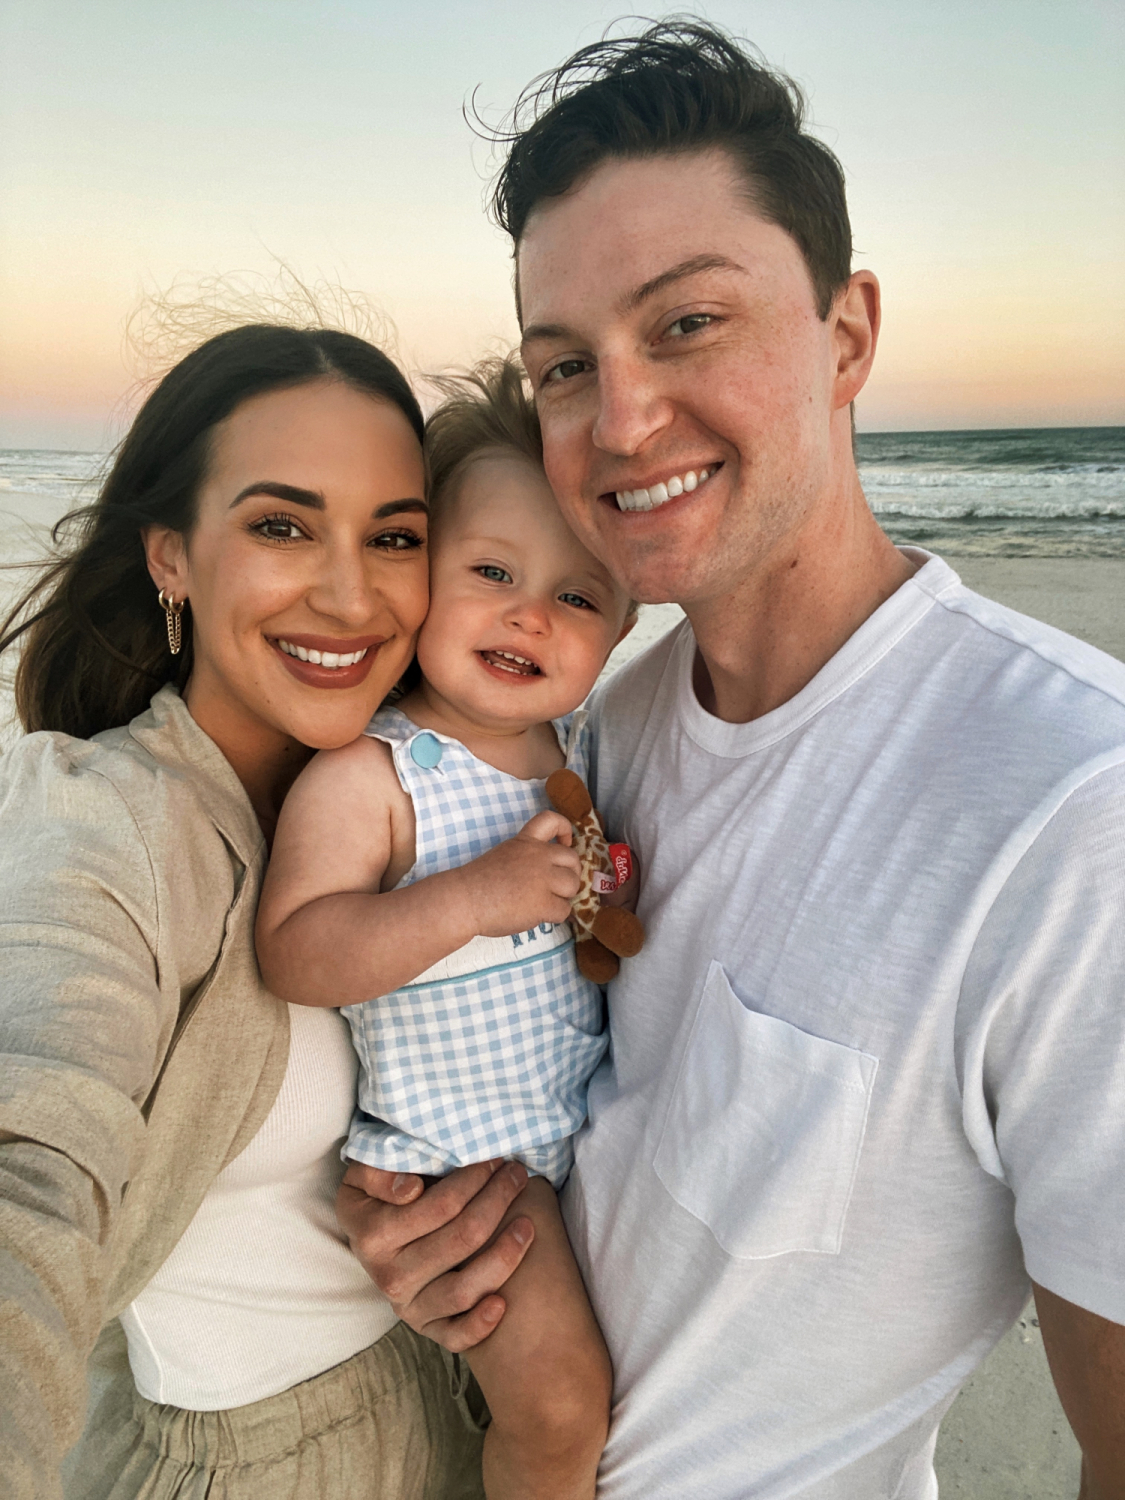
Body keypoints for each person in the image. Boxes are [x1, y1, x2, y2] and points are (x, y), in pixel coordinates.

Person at [335, 22, 1125, 1500]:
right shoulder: (600, 735)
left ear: (846, 335)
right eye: (565, 364)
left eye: (687, 323)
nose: (621, 421)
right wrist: (456, 1254)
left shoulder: (1072, 804)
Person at [0, 323, 490, 1499]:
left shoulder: (435, 788)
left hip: (464, 1425)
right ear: (171, 553)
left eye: (395, 538)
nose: (347, 592)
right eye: (281, 526)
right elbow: (36, 1149)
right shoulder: (106, 824)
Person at [256, 358, 635, 1500]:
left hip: (562, 1142)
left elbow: (584, 938)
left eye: (579, 597)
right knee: (564, 1407)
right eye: (492, 571)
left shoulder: (575, 763)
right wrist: (470, 898)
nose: (531, 613)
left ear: (622, 627)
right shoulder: (377, 768)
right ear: (425, 578)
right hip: (463, 1166)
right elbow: (300, 950)